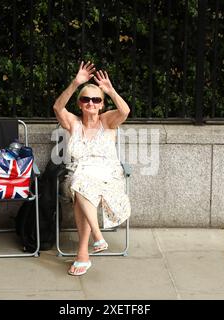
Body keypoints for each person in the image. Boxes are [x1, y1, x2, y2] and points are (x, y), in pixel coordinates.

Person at [53, 61, 131, 276]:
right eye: (86, 99)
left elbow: (125, 110)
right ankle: (95, 239)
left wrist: (110, 90)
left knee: (80, 186)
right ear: (79, 103)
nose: (91, 103)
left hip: (108, 175)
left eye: (96, 100)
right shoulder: (73, 123)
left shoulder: (107, 122)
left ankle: (84, 252)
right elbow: (58, 107)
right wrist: (75, 82)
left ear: (101, 105)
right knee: (81, 182)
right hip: (81, 174)